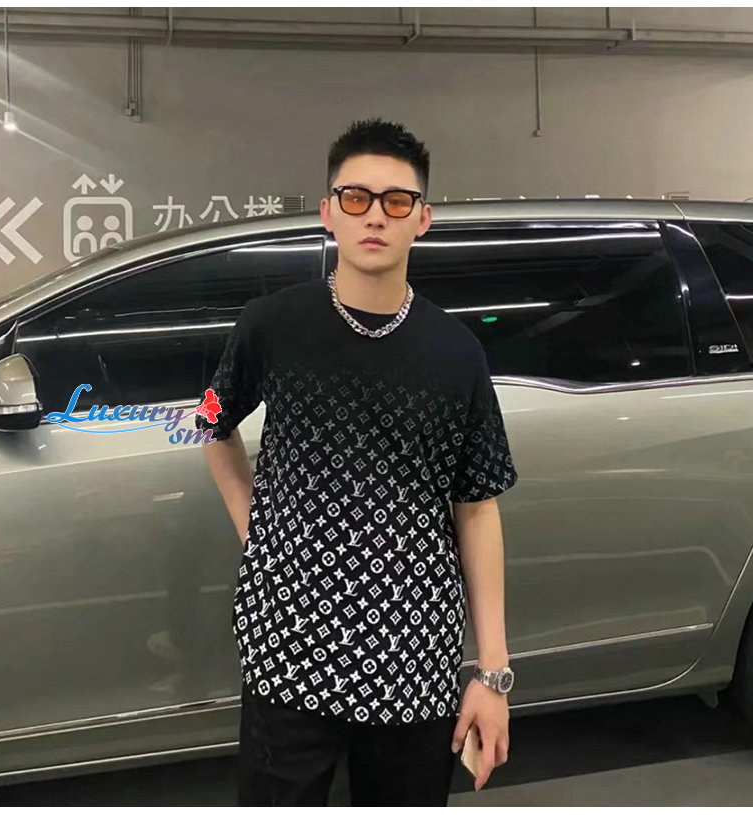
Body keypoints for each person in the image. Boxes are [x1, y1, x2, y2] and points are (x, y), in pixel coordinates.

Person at [195, 117, 519, 806]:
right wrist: (258, 530)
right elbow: (213, 425)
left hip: (414, 653)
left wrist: (491, 672)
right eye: (356, 197)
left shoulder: (456, 352)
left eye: (397, 201)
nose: (375, 215)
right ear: (328, 211)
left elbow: (477, 505)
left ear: (422, 219)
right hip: (288, 642)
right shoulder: (272, 325)